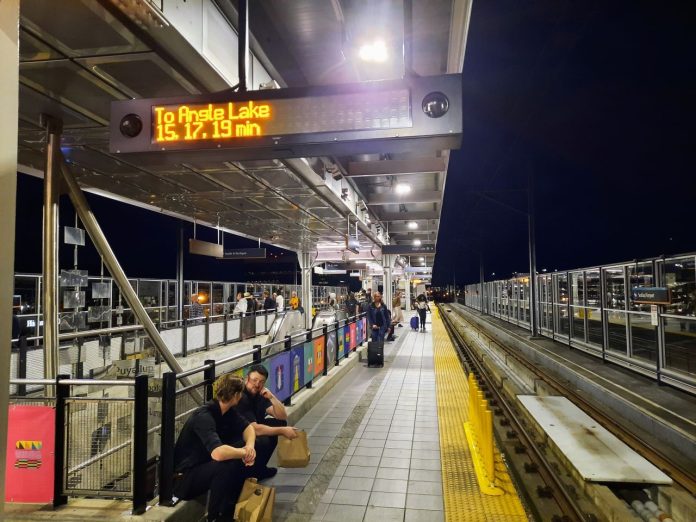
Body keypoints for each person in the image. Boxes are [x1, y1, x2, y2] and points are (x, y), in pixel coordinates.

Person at [173, 374, 256, 522]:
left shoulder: (226, 411)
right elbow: (218, 454)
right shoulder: (204, 416)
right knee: (223, 466)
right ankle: (213, 518)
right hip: (183, 479)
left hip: (201, 467)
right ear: (236, 395)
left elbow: (248, 428)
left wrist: (249, 447)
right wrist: (244, 453)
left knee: (236, 453)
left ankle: (228, 509)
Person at [231, 365, 298, 480]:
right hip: (237, 435)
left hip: (253, 429)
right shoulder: (241, 397)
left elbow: (282, 416)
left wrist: (272, 397)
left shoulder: (260, 394)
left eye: (261, 382)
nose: (257, 384)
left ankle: (260, 468)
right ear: (247, 379)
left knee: (279, 423)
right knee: (265, 440)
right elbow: (253, 429)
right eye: (254, 380)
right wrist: (282, 431)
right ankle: (251, 472)